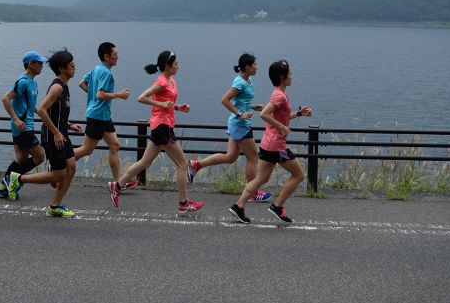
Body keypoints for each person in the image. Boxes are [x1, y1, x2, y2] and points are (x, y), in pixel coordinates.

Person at [108, 50, 203, 214]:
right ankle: (183, 203)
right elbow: (142, 97)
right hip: (162, 127)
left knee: (145, 162)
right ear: (167, 66)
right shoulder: (161, 82)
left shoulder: (171, 81)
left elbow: (166, 102)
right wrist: (161, 105)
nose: (178, 66)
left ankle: (117, 186)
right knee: (182, 164)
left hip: (164, 126)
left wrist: (178, 107)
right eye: (175, 64)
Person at [229, 59, 313, 224]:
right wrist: (282, 127)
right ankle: (277, 206)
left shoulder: (278, 93)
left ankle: (238, 206)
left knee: (261, 178)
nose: (292, 76)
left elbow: (278, 115)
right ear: (282, 77)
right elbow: (264, 114)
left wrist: (299, 114)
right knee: (298, 175)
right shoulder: (280, 96)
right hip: (276, 145)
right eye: (289, 73)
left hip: (268, 143)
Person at [5, 49, 83, 217]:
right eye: (71, 65)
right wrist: (55, 132)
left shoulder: (64, 86)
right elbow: (41, 109)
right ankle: (18, 179)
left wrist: (68, 126)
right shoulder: (57, 87)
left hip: (61, 134)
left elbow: (56, 113)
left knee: (71, 168)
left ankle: (55, 206)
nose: (74, 67)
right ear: (62, 69)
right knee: (58, 174)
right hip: (52, 136)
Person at [187, 53, 272, 202]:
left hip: (237, 124)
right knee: (253, 159)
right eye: (255, 65)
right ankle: (252, 192)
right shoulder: (240, 82)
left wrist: (252, 107)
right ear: (247, 66)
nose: (257, 67)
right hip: (240, 125)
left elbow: (241, 101)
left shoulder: (248, 80)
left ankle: (196, 164)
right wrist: (240, 114)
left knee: (230, 157)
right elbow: (224, 100)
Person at [71, 42, 132, 187]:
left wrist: (92, 97)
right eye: (115, 54)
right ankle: (57, 163)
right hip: (98, 115)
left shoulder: (96, 69)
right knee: (87, 149)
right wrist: (119, 95)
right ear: (106, 56)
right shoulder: (105, 72)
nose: (118, 57)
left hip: (103, 115)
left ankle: (118, 183)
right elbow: (100, 94)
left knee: (115, 145)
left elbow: (81, 83)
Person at [0, 51, 48, 201]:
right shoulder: (23, 81)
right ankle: (14, 180)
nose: (41, 66)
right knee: (39, 156)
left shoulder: (33, 82)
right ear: (30, 64)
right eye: (39, 63)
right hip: (23, 127)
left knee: (22, 157)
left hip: (25, 125)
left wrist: (44, 115)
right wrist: (16, 119)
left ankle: (2, 188)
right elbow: (5, 99)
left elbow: (31, 105)